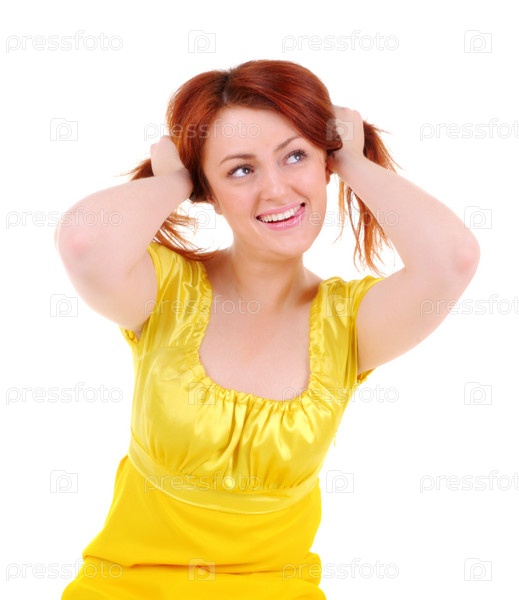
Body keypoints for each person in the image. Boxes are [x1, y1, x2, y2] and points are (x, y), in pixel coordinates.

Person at [56, 59, 480, 599]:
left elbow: (453, 259)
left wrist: (351, 160)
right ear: (208, 191)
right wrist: (178, 179)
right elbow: (85, 242)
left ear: (324, 162)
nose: (276, 189)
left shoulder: (350, 325)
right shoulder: (164, 292)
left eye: (295, 156)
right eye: (240, 170)